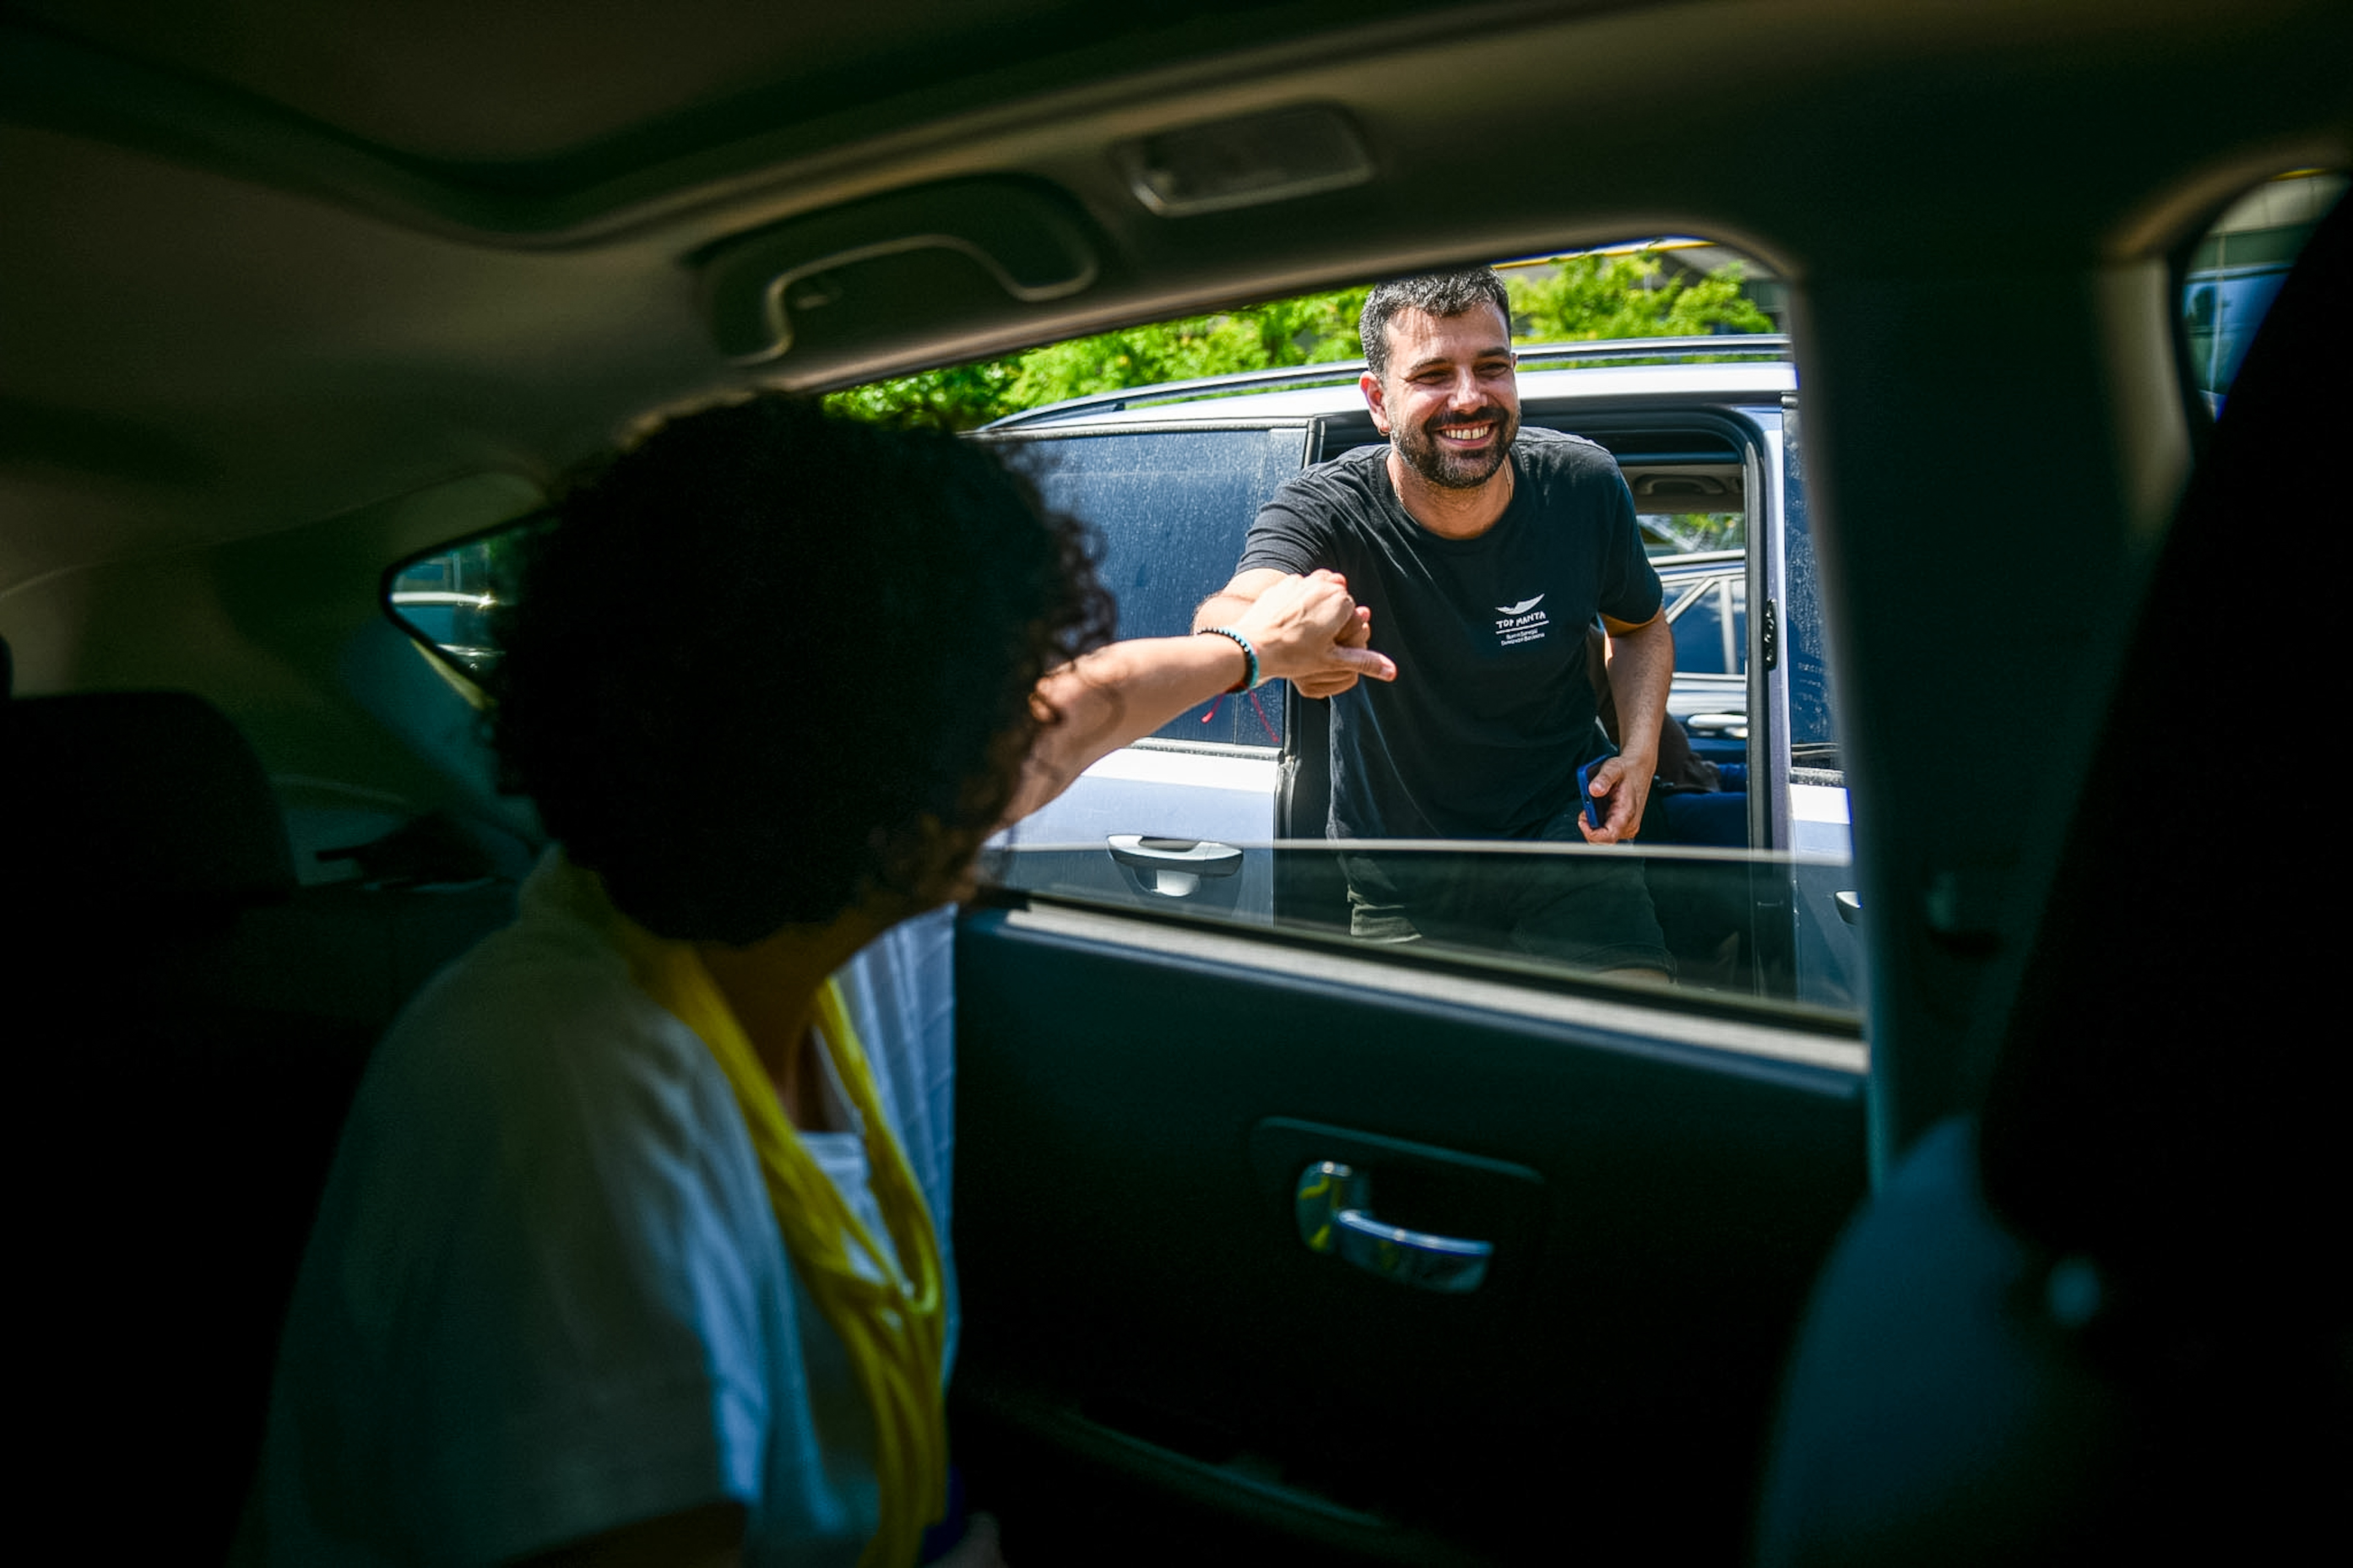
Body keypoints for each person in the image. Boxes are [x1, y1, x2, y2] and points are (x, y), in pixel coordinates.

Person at [241, 394, 1393, 1568]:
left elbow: (1080, 711)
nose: (1018, 737)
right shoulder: (572, 1101)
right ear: (847, 745)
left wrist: (1254, 652)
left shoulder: (808, 884)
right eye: (976, 697)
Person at [1192, 267, 1676, 979]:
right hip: (1402, 876)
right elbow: (1232, 609)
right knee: (1433, 1083)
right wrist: (1268, 647)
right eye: (1432, 375)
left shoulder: (1584, 486)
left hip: (1570, 837)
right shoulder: (1326, 509)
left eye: (1492, 366)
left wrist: (1641, 754)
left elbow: (1640, 628)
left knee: (1629, 1062)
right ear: (1379, 402)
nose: (1470, 398)